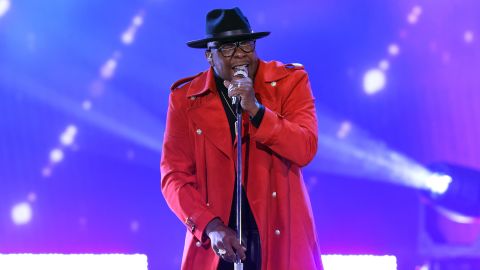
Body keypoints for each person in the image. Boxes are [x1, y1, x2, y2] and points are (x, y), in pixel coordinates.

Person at [161, 7, 323, 270]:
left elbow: (305, 148)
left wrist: (257, 110)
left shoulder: (289, 82)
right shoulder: (185, 99)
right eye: (226, 48)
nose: (239, 55)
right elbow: (173, 176)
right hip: (218, 242)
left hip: (280, 232)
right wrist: (209, 225)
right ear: (209, 56)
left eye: (245, 45)